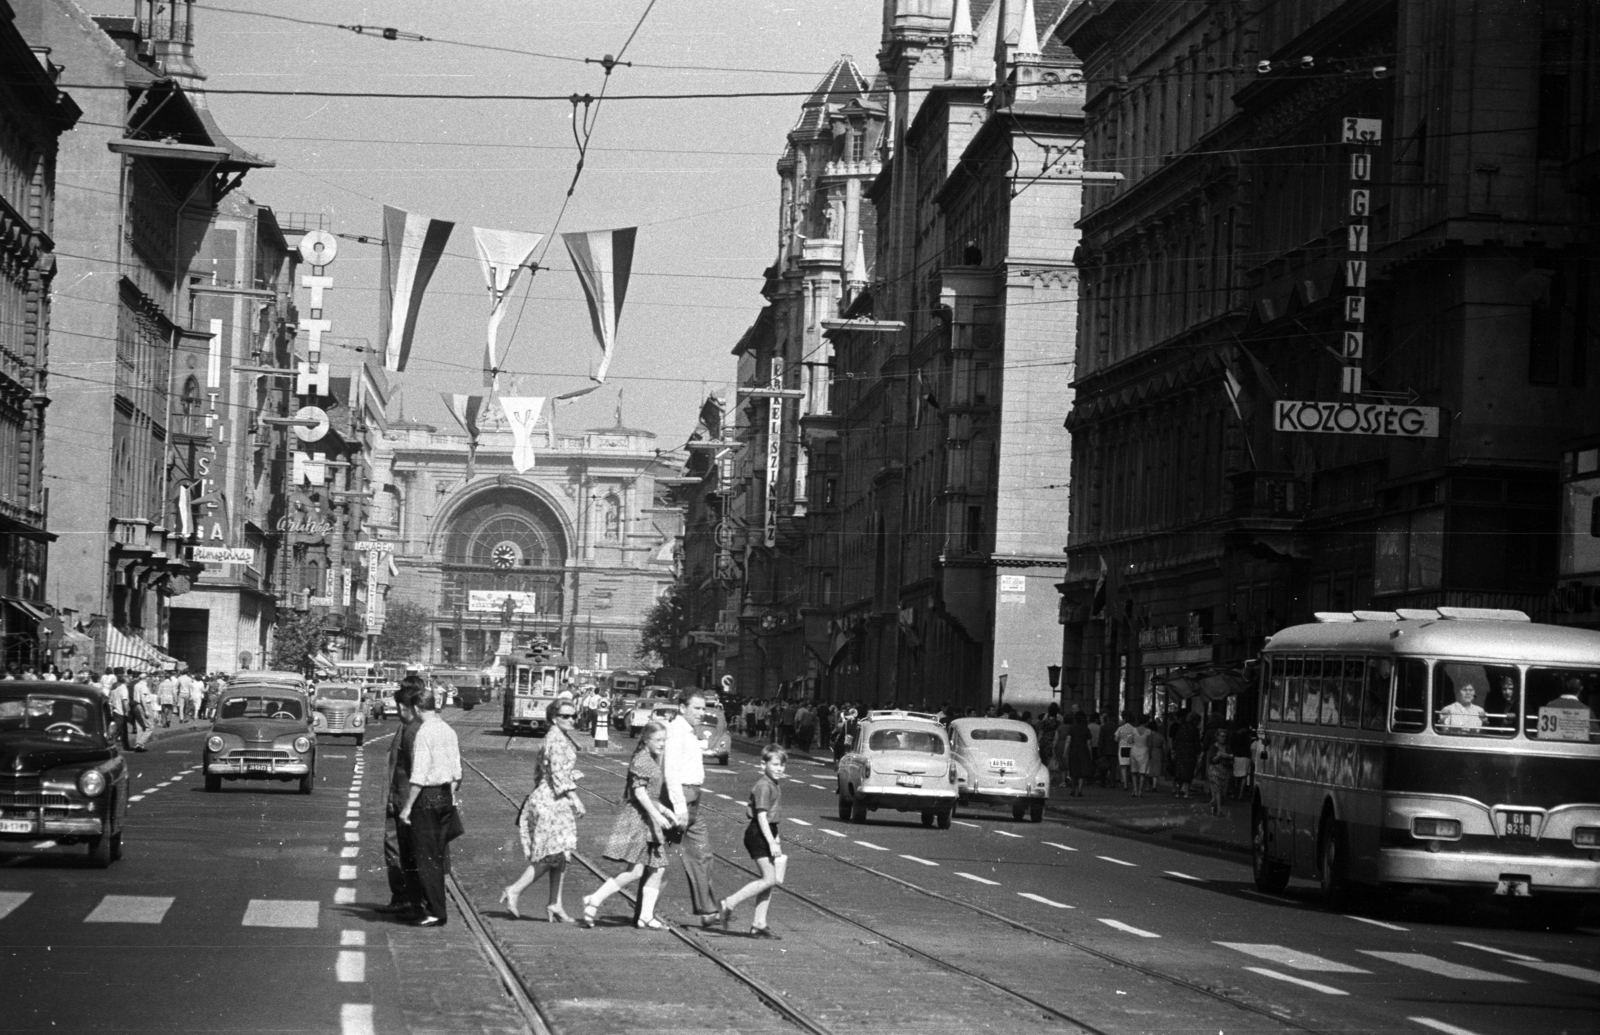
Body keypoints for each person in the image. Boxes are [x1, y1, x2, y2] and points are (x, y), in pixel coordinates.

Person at [582, 720, 676, 929]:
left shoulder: (649, 758)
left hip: (646, 819)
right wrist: (658, 816)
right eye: (658, 740)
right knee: (639, 870)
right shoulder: (643, 761)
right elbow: (640, 794)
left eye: (664, 740)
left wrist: (665, 810)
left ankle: (643, 915)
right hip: (639, 821)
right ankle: (595, 899)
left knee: (655, 868)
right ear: (646, 739)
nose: (662, 744)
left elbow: (649, 795)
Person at [503, 701, 587, 922]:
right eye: (565, 716)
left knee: (560, 855)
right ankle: (514, 889)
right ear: (553, 718)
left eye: (573, 715)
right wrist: (574, 797)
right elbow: (558, 774)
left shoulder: (557, 737)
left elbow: (547, 771)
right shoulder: (556, 739)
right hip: (551, 801)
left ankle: (555, 903)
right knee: (551, 855)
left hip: (551, 799)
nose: (571, 719)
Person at [398, 682, 463, 927]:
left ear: (416, 708)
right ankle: (435, 908)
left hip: (427, 797)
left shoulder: (425, 732)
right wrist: (449, 796)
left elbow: (419, 775)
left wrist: (407, 807)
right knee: (435, 855)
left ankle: (435, 912)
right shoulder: (448, 730)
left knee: (426, 860)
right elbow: (457, 772)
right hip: (445, 796)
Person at [715, 744, 788, 938]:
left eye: (782, 765)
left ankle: (759, 923)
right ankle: (728, 903)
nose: (779, 769)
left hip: (767, 832)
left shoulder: (772, 784)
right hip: (758, 833)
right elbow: (762, 816)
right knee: (769, 878)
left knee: (769, 881)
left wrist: (776, 839)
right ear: (763, 764)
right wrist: (771, 842)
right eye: (775, 764)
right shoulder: (764, 786)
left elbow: (772, 818)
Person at [663, 689, 720, 926]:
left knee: (702, 854)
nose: (702, 713)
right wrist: (679, 808)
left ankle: (708, 911)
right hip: (681, 800)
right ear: (682, 707)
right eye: (696, 708)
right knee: (661, 858)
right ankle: (645, 909)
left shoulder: (688, 732)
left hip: (694, 799)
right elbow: (670, 772)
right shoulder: (676, 731)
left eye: (703, 708)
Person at [377, 678, 427, 917]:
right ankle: (403, 897)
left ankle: (408, 899)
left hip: (406, 801)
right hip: (397, 797)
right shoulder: (405, 727)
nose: (399, 710)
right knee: (395, 848)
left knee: (403, 850)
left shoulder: (415, 730)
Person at [1202, 727, 1234, 816]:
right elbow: (1213, 760)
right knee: (1218, 790)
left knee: (1222, 793)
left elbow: (1231, 758)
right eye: (1222, 736)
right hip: (1215, 770)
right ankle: (1219, 810)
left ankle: (1215, 806)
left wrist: (1227, 756)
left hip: (1225, 771)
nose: (1223, 738)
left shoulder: (1228, 747)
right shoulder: (1213, 747)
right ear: (1217, 737)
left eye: (1225, 736)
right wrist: (1220, 755)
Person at [1171, 713, 1200, 798]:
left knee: (1179, 773)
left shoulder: (1181, 727)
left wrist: (1174, 750)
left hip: (1180, 751)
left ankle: (1177, 792)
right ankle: (1186, 793)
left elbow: (1176, 739)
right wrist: (1198, 751)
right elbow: (1196, 742)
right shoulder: (1195, 729)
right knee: (1188, 773)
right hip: (1190, 752)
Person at [1065, 712, 1093, 796]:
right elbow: (1089, 743)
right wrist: (1090, 754)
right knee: (1082, 772)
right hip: (1083, 751)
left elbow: (1068, 740)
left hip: (1073, 750)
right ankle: (1080, 790)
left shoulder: (1072, 728)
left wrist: (1065, 752)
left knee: (1073, 771)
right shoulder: (1086, 729)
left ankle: (1072, 790)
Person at [1128, 715, 1151, 798]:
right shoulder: (1148, 731)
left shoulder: (1133, 730)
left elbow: (1129, 741)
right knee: (1142, 772)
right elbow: (1150, 743)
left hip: (1134, 750)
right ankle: (1140, 791)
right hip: (1144, 751)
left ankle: (1134, 790)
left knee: (1134, 771)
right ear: (1145, 722)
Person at [1114, 712, 1138, 791]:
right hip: (1132, 748)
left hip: (1122, 748)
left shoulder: (1120, 728)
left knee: (1123, 767)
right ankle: (1133, 783)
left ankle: (1125, 784)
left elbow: (1116, 739)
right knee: (1131, 767)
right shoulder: (1134, 729)